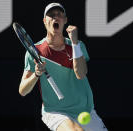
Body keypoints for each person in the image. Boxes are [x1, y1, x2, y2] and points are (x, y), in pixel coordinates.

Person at [19, 2, 108, 131]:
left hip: (85, 111)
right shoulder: (35, 52)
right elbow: (23, 90)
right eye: (51, 15)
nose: (55, 17)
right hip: (56, 112)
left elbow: (81, 74)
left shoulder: (78, 45)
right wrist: (36, 74)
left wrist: (75, 43)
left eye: (59, 15)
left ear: (65, 20)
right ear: (45, 21)